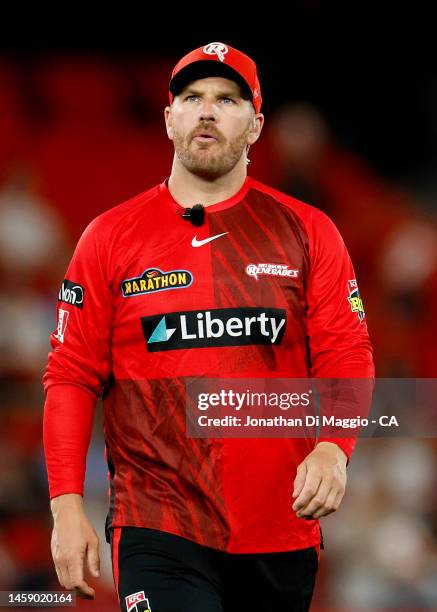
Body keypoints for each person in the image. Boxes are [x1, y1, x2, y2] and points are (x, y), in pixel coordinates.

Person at [43, 42, 375, 612]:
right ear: (169, 117)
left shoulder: (308, 231)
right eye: (192, 97)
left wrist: (333, 447)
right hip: (158, 524)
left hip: (280, 529)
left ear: (256, 125)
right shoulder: (110, 238)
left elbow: (348, 353)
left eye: (226, 99)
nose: (207, 110)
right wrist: (65, 505)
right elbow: (70, 375)